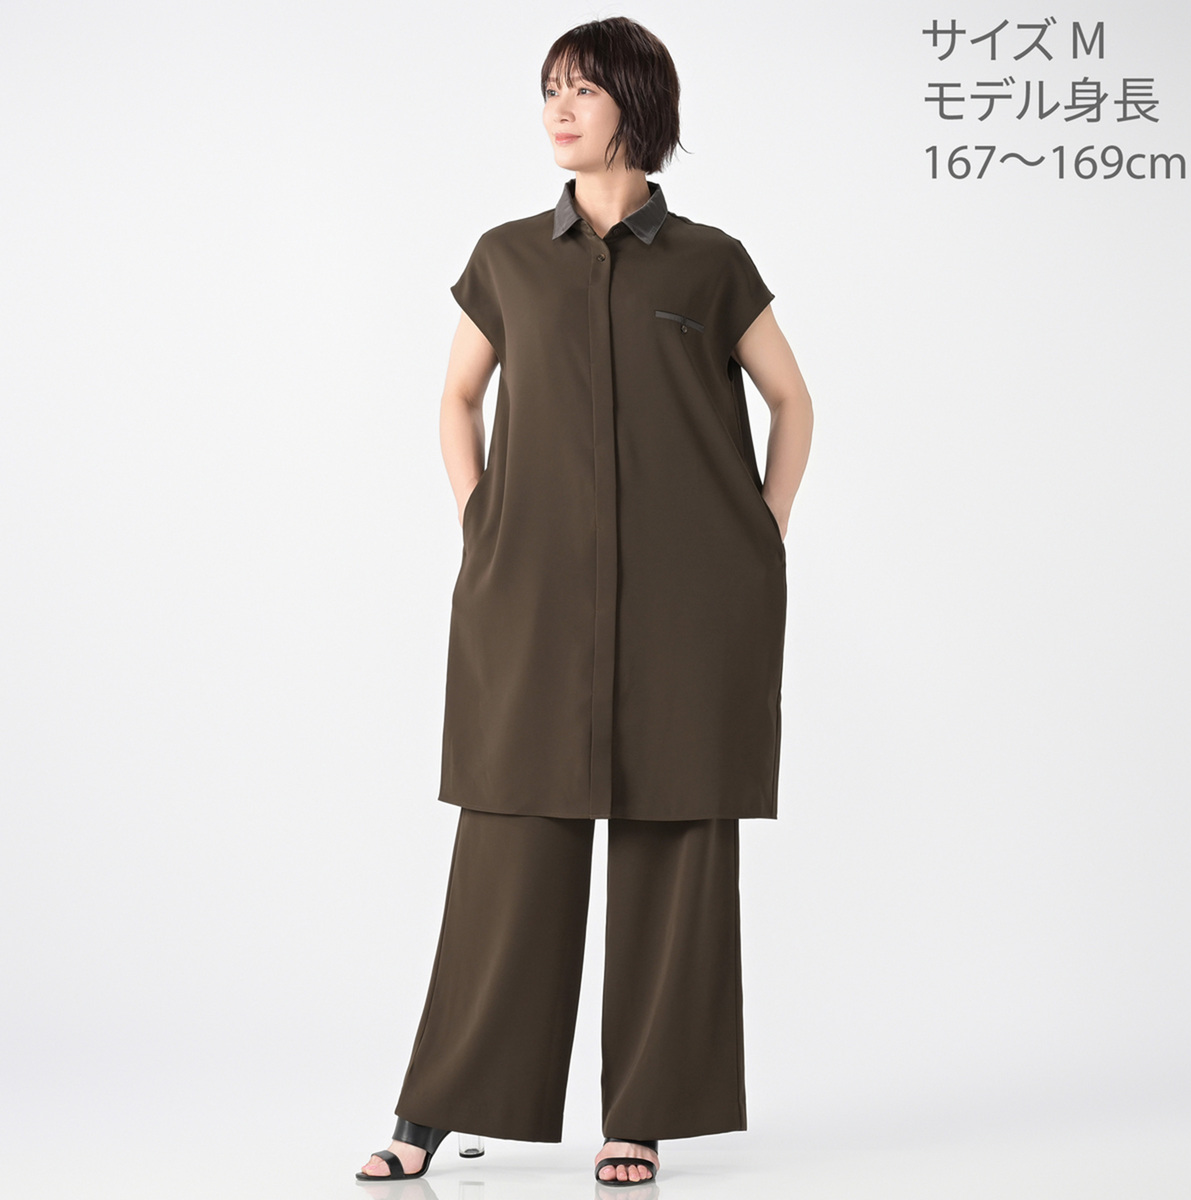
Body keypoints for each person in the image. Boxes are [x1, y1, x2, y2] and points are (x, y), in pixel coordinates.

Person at [358, 15, 814, 1187]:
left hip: (691, 604)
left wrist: (759, 536)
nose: (559, 109)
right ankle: (437, 1104)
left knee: (676, 836)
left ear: (636, 107)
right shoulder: (507, 257)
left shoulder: (711, 263)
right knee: (511, 842)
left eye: (584, 90)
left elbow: (793, 402)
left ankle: (640, 1116)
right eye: (550, 89)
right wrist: (483, 521)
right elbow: (457, 398)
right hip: (532, 594)